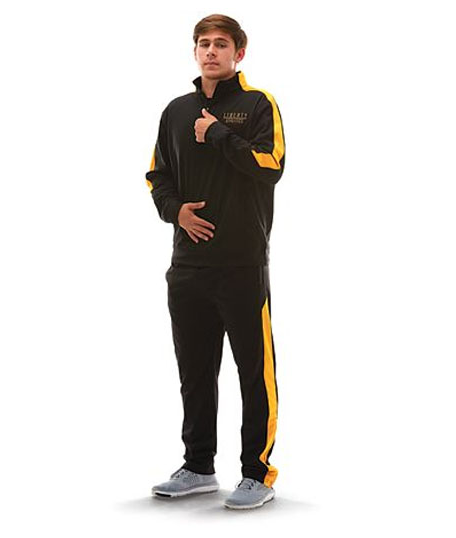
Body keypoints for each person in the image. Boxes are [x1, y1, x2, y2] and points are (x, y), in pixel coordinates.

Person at [145, 13, 285, 510]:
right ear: (195, 51)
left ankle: (257, 474)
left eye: (221, 44)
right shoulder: (176, 111)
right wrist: (176, 211)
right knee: (196, 373)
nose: (210, 51)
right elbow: (156, 176)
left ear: (238, 53)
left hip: (242, 265)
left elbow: (271, 165)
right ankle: (199, 467)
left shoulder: (257, 104)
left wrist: (219, 134)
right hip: (187, 268)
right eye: (203, 43)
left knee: (254, 374)